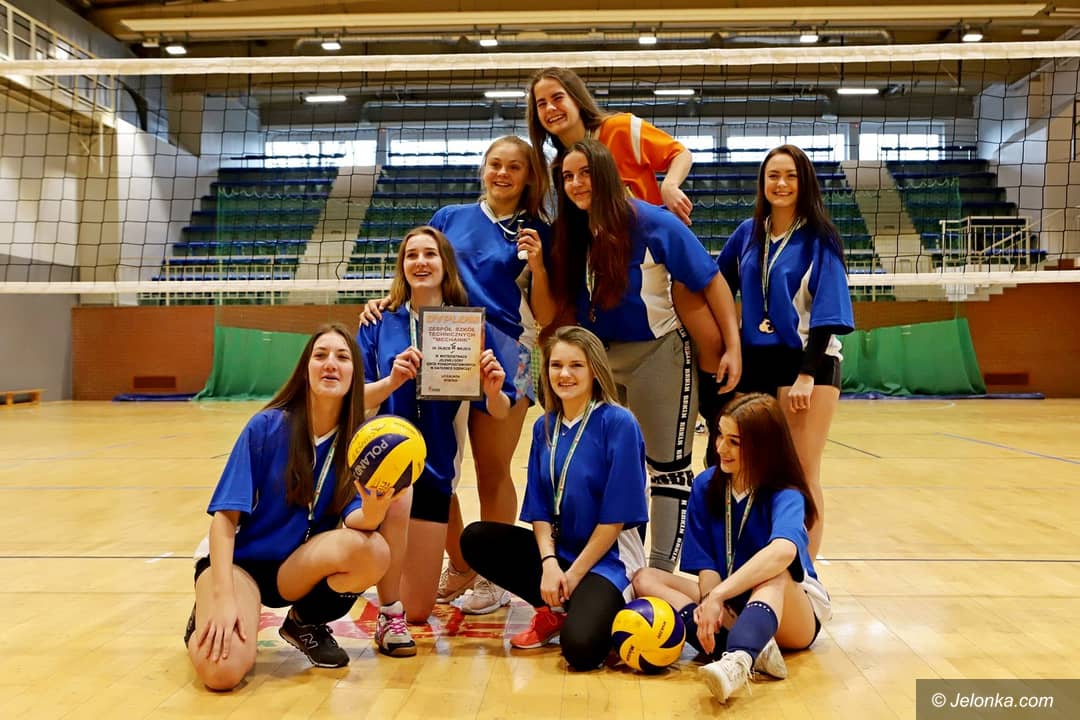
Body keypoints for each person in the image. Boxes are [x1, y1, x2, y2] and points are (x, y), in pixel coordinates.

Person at [360, 136, 552, 615]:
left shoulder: (538, 230)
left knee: (493, 468)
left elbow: (548, 310)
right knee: (426, 457)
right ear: (483, 169)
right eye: (495, 164)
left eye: (514, 167)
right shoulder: (451, 216)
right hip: (444, 339)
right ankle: (461, 564)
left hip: (510, 348)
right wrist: (387, 301)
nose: (502, 173)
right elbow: (421, 266)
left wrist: (539, 264)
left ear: (530, 177)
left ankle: (493, 576)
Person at [532, 137, 741, 572]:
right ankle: (615, 568)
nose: (576, 183)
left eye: (585, 173)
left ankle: (661, 574)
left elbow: (712, 281)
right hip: (598, 361)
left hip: (656, 354)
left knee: (667, 468)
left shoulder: (653, 222)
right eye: (567, 177)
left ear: (607, 175)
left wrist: (732, 347)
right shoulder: (569, 232)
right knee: (607, 467)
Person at [185, 322, 408, 690]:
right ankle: (204, 617)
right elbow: (224, 521)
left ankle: (304, 624)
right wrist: (223, 598)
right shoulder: (266, 427)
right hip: (239, 564)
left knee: (374, 551)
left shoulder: (356, 445)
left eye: (342, 357)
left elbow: (357, 522)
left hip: (294, 569)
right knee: (222, 673)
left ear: (355, 375)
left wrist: (375, 508)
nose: (330, 363)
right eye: (320, 356)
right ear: (306, 370)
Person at [526, 66, 729, 434]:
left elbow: (680, 153)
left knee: (700, 320)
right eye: (541, 103)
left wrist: (670, 186)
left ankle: (715, 408)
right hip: (607, 281)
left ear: (577, 98)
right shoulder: (561, 166)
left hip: (653, 264)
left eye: (557, 98)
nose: (551, 108)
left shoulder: (619, 129)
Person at [459, 326, 649, 671]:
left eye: (576, 365)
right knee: (476, 538)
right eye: (556, 365)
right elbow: (541, 510)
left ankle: (597, 604)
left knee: (581, 651)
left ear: (595, 370)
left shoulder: (619, 423)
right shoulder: (544, 426)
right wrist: (549, 564)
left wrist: (572, 575)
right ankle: (554, 610)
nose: (564, 374)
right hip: (559, 555)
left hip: (607, 560)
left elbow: (614, 520)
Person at [358, 226, 516, 637]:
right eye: (411, 255)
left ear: (445, 265)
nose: (421, 262)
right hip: (382, 468)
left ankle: (410, 572)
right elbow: (353, 398)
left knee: (415, 611)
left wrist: (493, 390)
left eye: (430, 254)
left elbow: (500, 410)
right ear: (402, 266)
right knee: (380, 587)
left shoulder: (466, 326)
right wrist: (391, 381)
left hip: (433, 471)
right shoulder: (378, 321)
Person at [632, 393, 831, 703]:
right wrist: (712, 600)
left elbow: (783, 552)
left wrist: (718, 596)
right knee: (645, 578)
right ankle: (751, 645)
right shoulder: (706, 485)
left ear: (764, 446)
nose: (721, 448)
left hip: (792, 610)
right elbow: (707, 567)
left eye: (734, 442)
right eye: (720, 436)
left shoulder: (785, 492)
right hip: (732, 599)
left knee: (775, 575)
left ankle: (736, 660)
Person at [716, 144, 855, 559]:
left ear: (804, 182)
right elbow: (717, 286)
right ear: (762, 182)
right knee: (752, 469)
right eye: (773, 175)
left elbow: (829, 311)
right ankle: (754, 563)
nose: (781, 184)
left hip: (807, 361)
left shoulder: (820, 239)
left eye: (791, 176)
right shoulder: (747, 233)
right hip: (756, 362)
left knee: (801, 472)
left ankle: (806, 573)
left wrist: (806, 375)